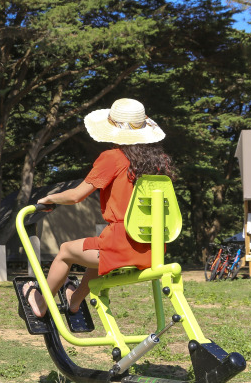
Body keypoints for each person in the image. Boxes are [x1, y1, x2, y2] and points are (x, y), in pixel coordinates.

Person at [24, 98, 174, 319]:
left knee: (66, 250)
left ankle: (41, 303)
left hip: (120, 246)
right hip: (153, 248)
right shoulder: (158, 163)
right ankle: (74, 301)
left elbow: (76, 195)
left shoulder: (113, 158)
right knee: (94, 251)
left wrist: (50, 198)